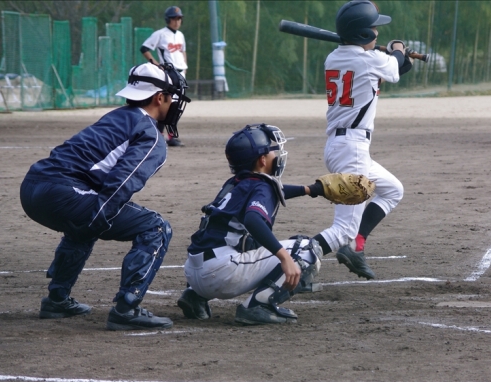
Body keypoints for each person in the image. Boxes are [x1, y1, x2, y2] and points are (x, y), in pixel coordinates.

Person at [20, 62, 191, 331]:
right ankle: (127, 308)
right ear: (159, 98)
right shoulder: (150, 135)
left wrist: (92, 220)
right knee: (156, 227)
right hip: (61, 191)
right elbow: (122, 182)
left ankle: (57, 300)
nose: (174, 104)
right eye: (172, 98)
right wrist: (97, 218)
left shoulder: (118, 115)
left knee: (86, 220)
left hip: (33, 187)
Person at [176, 124, 325, 325]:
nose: (276, 155)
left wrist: (310, 189)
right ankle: (258, 306)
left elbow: (275, 191)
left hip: (194, 274)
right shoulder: (262, 187)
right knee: (307, 249)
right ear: (262, 160)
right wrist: (285, 258)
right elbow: (253, 219)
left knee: (238, 238)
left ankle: (195, 297)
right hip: (221, 273)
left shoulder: (234, 184)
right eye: (272, 151)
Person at [310, 0, 412, 280]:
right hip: (351, 149)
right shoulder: (369, 59)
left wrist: (397, 60)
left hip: (345, 147)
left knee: (392, 190)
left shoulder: (334, 57)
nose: (377, 33)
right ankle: (297, 260)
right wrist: (398, 49)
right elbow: (395, 65)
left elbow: (387, 73)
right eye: (374, 29)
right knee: (342, 229)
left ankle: (356, 246)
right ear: (363, 34)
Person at [141, 5, 188, 147]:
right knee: (167, 105)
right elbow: (144, 48)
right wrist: (157, 65)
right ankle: (159, 135)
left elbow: (183, 51)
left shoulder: (180, 35)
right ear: (168, 19)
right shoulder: (160, 34)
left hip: (181, 73)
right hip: (169, 73)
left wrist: (185, 65)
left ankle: (171, 136)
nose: (177, 21)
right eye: (174, 18)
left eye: (179, 18)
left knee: (177, 106)